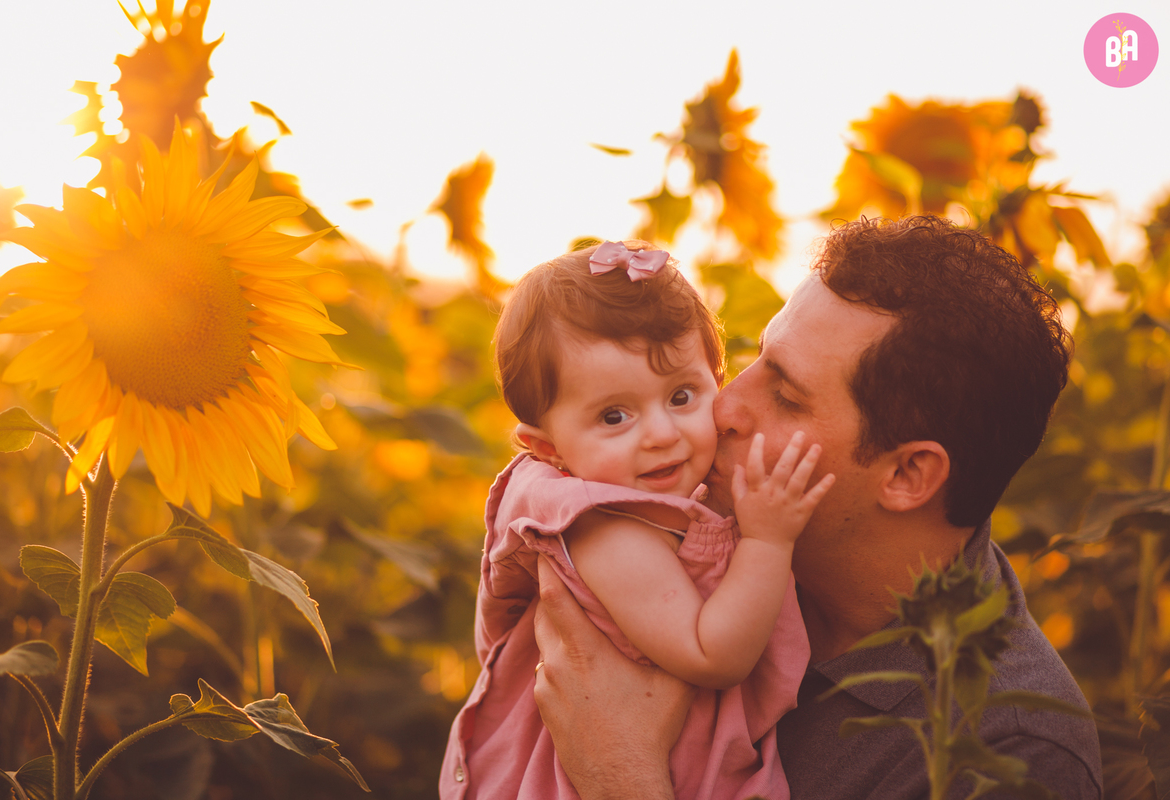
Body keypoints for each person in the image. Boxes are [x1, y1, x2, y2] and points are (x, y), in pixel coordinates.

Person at [531, 217, 1105, 799]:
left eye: (784, 395)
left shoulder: (1006, 758)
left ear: (907, 474)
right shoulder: (681, 543)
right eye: (754, 357)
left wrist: (619, 776)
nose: (724, 406)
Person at [440, 240, 833, 799]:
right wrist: (768, 540)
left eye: (681, 395)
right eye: (615, 415)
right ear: (546, 447)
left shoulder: (646, 493)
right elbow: (711, 653)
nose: (661, 434)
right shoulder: (607, 530)